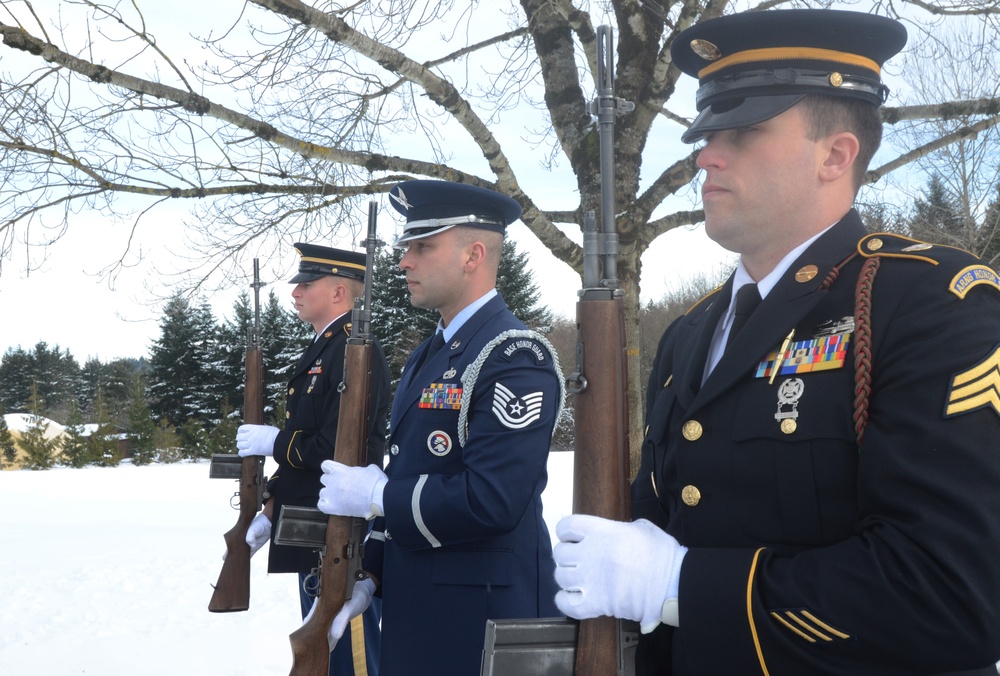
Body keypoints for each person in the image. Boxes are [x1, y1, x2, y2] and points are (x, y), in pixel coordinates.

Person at [552, 9, 1000, 676]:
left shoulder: (928, 306)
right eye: (707, 132)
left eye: (742, 131)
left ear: (835, 155)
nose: (706, 154)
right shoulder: (690, 333)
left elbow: (953, 598)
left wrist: (680, 586)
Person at [311, 179, 565, 675]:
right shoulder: (432, 353)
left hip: (482, 623)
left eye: (423, 246)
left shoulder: (513, 356)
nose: (404, 260)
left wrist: (379, 497)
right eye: (407, 247)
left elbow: (492, 499)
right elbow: (411, 469)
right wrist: (372, 575)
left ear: (473, 255)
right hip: (419, 611)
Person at [236, 242, 390, 676]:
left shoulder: (355, 351)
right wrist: (272, 505)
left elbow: (336, 450)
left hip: (341, 531)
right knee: (324, 652)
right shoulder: (326, 349)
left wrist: (275, 442)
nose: (295, 292)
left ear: (339, 292)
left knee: (349, 657)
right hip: (312, 525)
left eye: (307, 283)